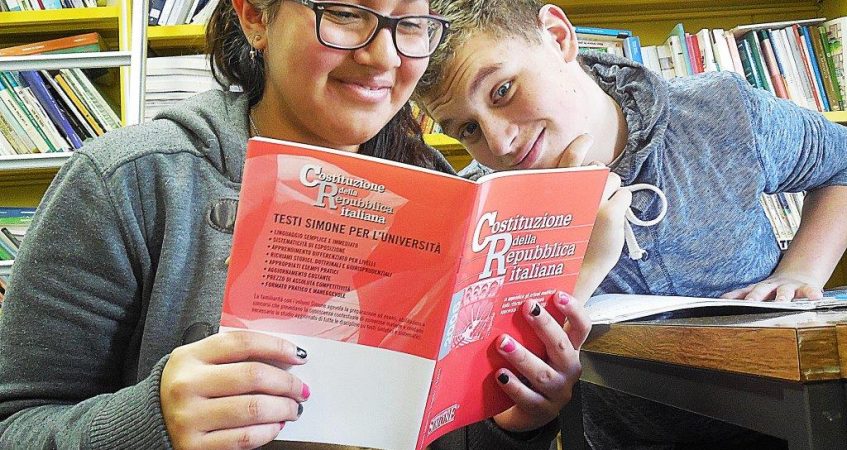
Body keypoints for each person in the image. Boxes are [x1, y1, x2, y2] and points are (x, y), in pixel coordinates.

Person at [0, 0, 604, 449]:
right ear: (254, 16)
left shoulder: (446, 199)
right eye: (344, 14)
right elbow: (15, 426)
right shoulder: (131, 182)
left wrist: (514, 421)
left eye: (412, 24)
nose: (383, 57)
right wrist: (149, 422)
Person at [413, 0, 847, 448]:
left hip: (802, 428)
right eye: (467, 129)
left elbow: (842, 162)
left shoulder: (720, 110)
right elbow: (482, 407)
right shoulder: (481, 213)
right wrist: (579, 262)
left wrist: (801, 270)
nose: (500, 143)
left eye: (503, 90)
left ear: (558, 37)